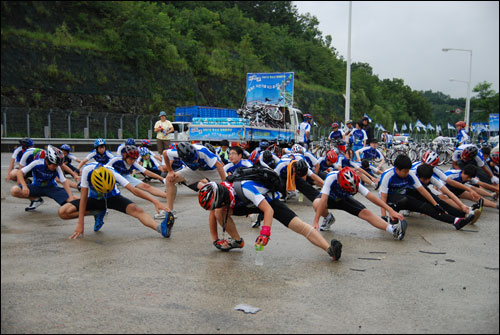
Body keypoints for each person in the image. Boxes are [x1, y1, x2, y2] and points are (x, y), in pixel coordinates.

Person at [197, 181, 343, 261]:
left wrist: (265, 233)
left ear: (222, 199)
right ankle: (237, 241)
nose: (216, 208)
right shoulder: (219, 197)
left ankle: (329, 249)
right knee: (218, 212)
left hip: (269, 203)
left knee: (299, 226)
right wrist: (215, 240)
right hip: (244, 206)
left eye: (218, 204)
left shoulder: (245, 188)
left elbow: (268, 210)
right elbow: (213, 214)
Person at [59, 164, 174, 239]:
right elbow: (83, 198)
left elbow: (134, 190)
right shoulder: (87, 171)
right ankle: (97, 212)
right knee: (63, 212)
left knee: (137, 210)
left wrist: (155, 201)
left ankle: (161, 229)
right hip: (94, 199)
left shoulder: (113, 173)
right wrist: (80, 223)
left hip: (113, 198)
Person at [378, 154, 476, 230]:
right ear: (397, 169)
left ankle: (456, 221)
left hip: (405, 197)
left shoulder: (410, 174)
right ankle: (394, 214)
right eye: (405, 171)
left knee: (427, 207)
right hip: (390, 200)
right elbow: (383, 198)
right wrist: (383, 217)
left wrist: (436, 205)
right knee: (404, 199)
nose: (407, 173)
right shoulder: (388, 176)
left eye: (408, 171)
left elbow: (423, 191)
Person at [312, 167, 407, 240]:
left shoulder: (355, 180)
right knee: (317, 203)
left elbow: (371, 197)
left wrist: (390, 210)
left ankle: (393, 230)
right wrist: (316, 221)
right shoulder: (331, 177)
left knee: (367, 213)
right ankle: (328, 218)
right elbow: (323, 200)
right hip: (330, 198)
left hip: (344, 199)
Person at [163, 142, 226, 214]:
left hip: (212, 170)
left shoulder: (203, 151)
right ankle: (170, 211)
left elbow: (219, 165)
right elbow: (165, 153)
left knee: (225, 188)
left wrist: (224, 182)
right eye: (193, 160)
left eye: (196, 158)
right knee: (170, 179)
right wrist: (170, 171)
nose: (195, 160)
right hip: (194, 170)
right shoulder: (177, 153)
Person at [10, 145, 76, 211]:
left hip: (51, 188)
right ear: (48, 161)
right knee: (14, 190)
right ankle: (36, 200)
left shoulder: (57, 167)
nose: (56, 167)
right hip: (36, 187)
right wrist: (24, 186)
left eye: (57, 165)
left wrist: (70, 196)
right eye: (55, 165)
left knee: (72, 200)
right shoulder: (37, 163)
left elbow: (64, 182)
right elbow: (19, 172)